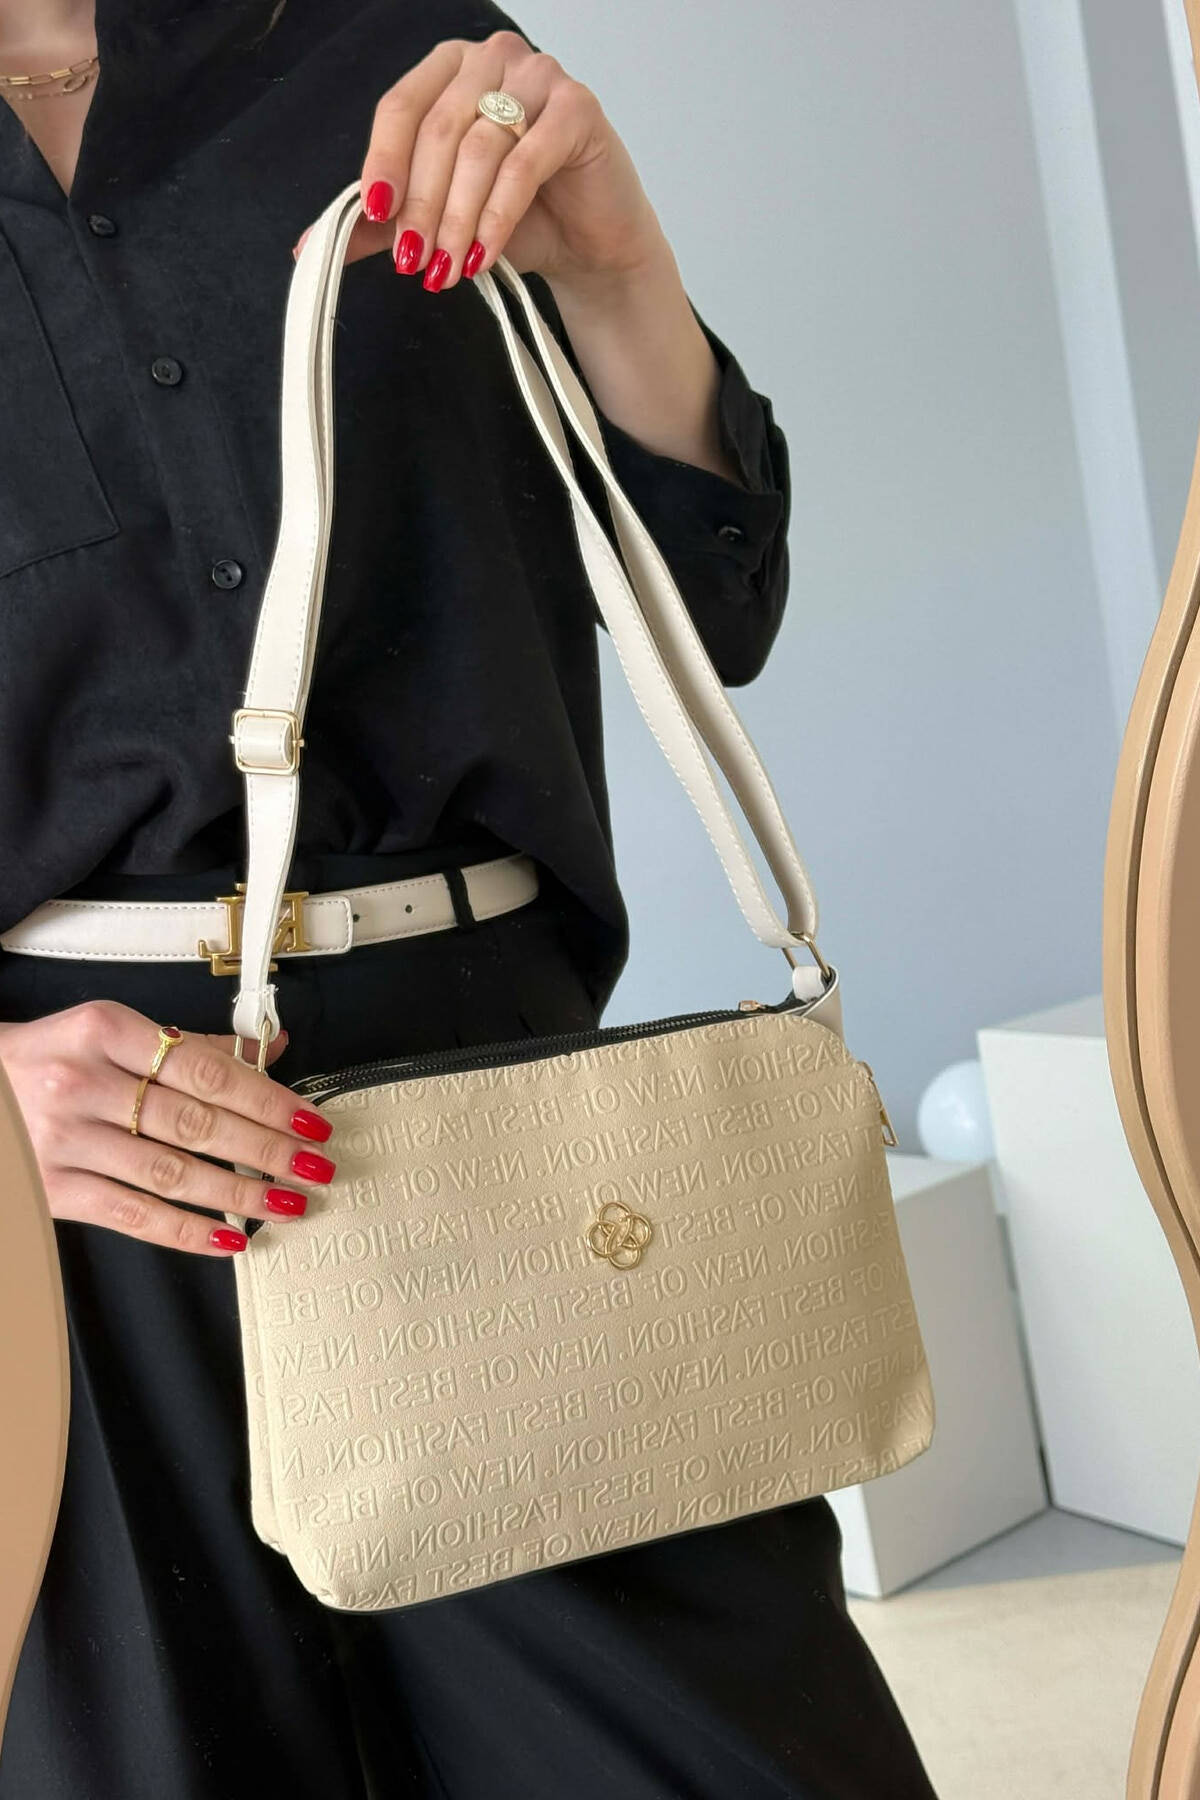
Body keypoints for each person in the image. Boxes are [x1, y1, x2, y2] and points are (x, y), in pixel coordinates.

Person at [0, 2, 940, 1795]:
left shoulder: (389, 44)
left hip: (508, 1141)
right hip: (68, 1219)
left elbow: (709, 606)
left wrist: (618, 270)